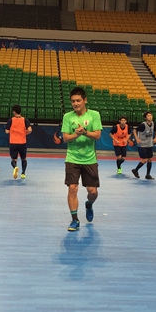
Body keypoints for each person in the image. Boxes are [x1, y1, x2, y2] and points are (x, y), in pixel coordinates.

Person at [62, 87, 102, 231]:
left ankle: (89, 205)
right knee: (72, 188)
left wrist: (84, 132)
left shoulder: (94, 115)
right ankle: (74, 219)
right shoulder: (67, 117)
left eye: (78, 100)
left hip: (89, 159)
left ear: (85, 100)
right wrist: (77, 135)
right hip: (72, 158)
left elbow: (97, 135)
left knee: (93, 192)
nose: (75, 103)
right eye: (73, 101)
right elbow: (66, 138)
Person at [4, 104, 32, 179]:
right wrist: (24, 132)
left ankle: (15, 167)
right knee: (24, 158)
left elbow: (6, 131)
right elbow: (30, 130)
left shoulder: (11, 120)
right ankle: (23, 173)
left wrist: (12, 132)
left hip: (13, 142)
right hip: (22, 142)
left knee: (13, 159)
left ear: (14, 112)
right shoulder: (25, 120)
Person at [132, 111, 156, 180]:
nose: (150, 117)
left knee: (150, 159)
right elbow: (135, 131)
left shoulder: (153, 124)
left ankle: (148, 174)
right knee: (145, 159)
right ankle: (135, 170)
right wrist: (137, 139)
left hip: (149, 144)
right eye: (148, 116)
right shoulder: (143, 125)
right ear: (145, 118)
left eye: (151, 115)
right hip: (142, 145)